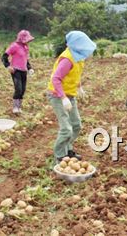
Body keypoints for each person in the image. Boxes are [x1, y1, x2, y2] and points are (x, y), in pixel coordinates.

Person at [48, 31, 97, 162]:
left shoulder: (78, 57)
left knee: (76, 125)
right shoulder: (67, 59)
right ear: (78, 45)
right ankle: (59, 157)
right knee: (66, 129)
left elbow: (76, 74)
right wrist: (63, 98)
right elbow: (56, 79)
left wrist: (79, 87)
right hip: (57, 95)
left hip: (70, 95)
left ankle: (68, 150)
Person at [2, 30, 35, 114]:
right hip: (15, 70)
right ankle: (15, 107)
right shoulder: (14, 46)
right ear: (21, 38)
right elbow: (4, 56)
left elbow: (26, 59)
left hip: (24, 71)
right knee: (18, 89)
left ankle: (19, 107)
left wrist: (30, 68)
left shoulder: (26, 47)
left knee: (23, 89)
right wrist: (8, 66)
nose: (28, 41)